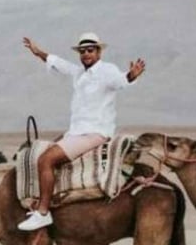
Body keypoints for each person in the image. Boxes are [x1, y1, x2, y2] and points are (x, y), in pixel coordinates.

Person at [18, 32, 145, 231]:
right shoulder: (79, 73)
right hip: (77, 131)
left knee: (45, 160)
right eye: (82, 51)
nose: (86, 54)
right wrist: (37, 52)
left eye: (90, 50)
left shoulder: (107, 71)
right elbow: (59, 64)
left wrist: (131, 75)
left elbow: (120, 80)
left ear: (99, 52)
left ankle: (43, 213)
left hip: (94, 132)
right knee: (45, 150)